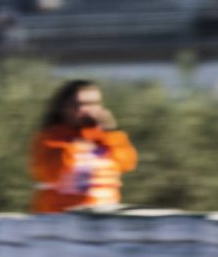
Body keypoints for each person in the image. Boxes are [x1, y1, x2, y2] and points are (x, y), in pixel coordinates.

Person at [30, 80, 138, 213]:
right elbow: (52, 172)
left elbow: (127, 163)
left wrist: (111, 133)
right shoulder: (50, 137)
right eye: (78, 105)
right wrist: (77, 142)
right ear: (62, 108)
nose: (85, 110)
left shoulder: (106, 137)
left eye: (93, 104)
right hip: (61, 218)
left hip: (104, 215)